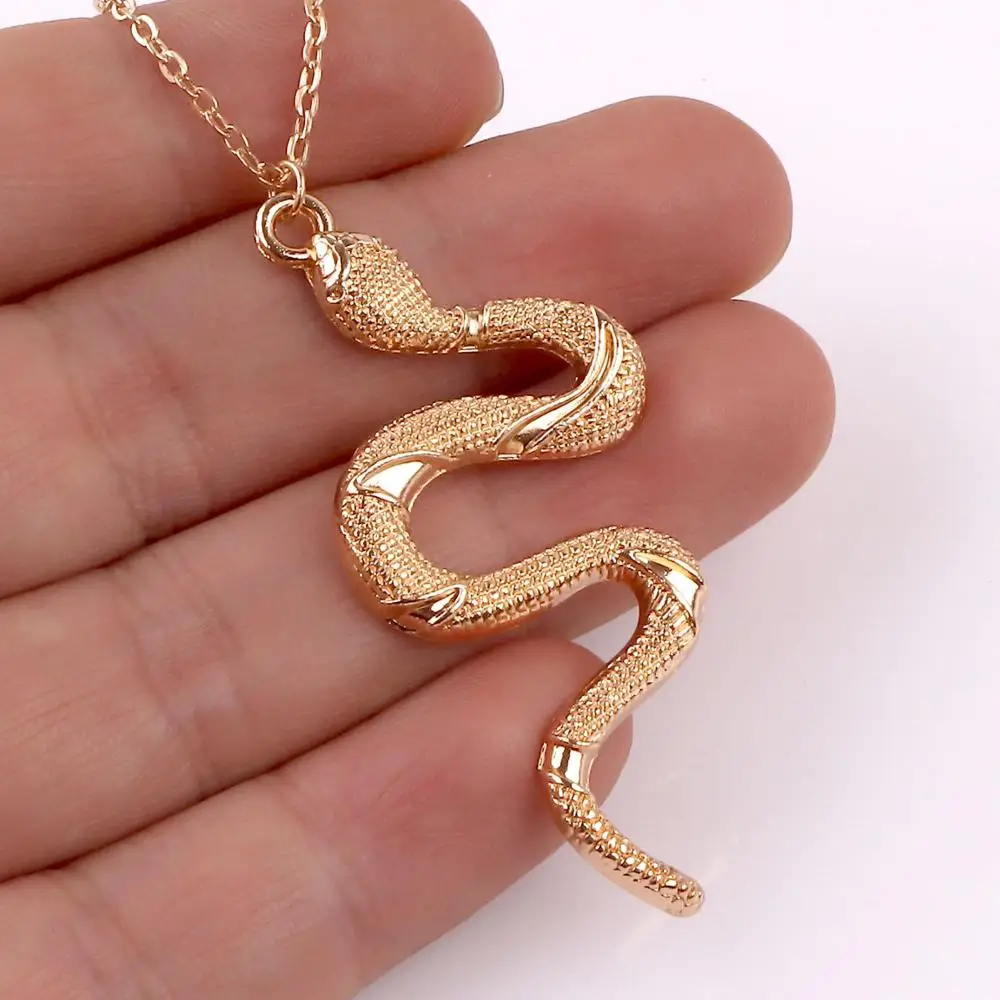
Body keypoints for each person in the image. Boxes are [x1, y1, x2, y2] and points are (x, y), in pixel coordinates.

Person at [0, 1, 834, 996]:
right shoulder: (481, 360)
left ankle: (571, 764)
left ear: (378, 299)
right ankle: (565, 776)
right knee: (656, 561)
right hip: (421, 559)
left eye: (340, 265)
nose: (327, 263)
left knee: (663, 565)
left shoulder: (566, 352)